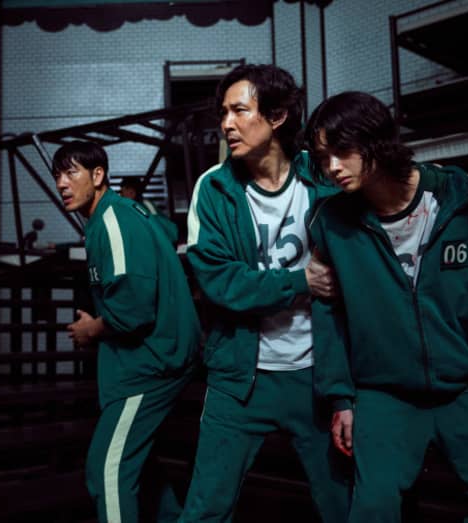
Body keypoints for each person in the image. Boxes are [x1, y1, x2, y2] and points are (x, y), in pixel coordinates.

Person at [305, 91, 468, 523]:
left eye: (342, 150)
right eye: (322, 157)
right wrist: (341, 399)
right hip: (384, 393)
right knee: (372, 512)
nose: (332, 167)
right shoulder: (330, 222)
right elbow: (329, 316)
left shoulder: (460, 194)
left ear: (375, 141)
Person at [180, 63, 350, 522]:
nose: (226, 124)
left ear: (276, 116)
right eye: (223, 113)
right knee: (205, 508)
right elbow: (218, 281)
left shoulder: (322, 179)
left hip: (316, 375)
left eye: (239, 111)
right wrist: (300, 282)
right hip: (240, 377)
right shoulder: (213, 189)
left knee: (344, 505)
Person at [53, 141, 199, 522]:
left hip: (151, 365)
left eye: (71, 172)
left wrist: (93, 329)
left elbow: (134, 309)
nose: (62, 183)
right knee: (144, 472)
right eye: (58, 175)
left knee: (108, 471)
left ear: (98, 175)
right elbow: (166, 235)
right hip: (145, 361)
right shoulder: (117, 216)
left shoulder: (114, 221)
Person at [119, 176, 179, 245]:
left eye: (122, 192)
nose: (121, 195)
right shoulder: (126, 207)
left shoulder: (145, 206)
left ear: (132, 192)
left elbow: (158, 225)